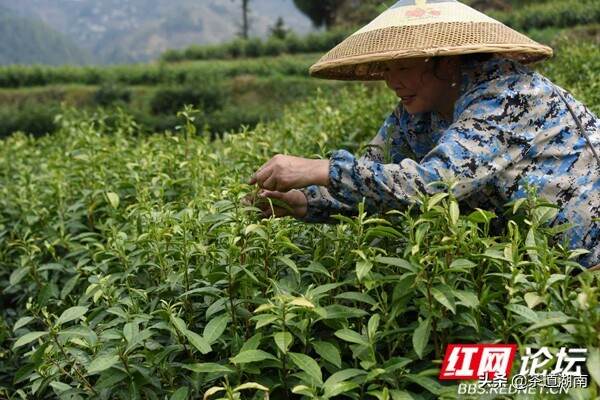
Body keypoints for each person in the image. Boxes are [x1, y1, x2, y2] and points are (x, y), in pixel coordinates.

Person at [248, 0, 600, 269]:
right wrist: (307, 201)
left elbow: (436, 185)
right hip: (529, 268)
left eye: (402, 66)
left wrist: (322, 168)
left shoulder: (507, 95)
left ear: (445, 61)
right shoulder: (415, 112)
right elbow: (376, 176)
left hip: (586, 256)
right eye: (387, 68)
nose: (391, 80)